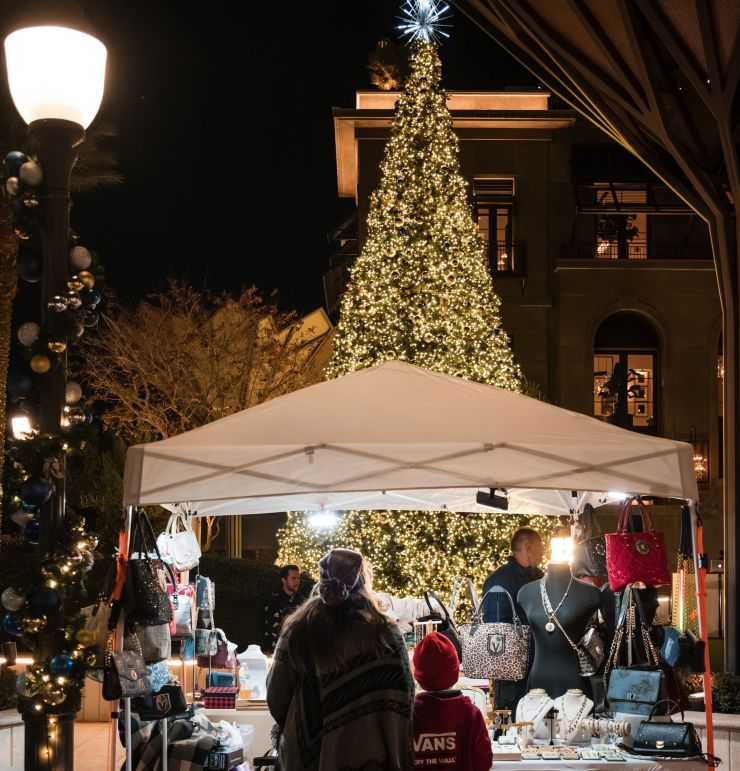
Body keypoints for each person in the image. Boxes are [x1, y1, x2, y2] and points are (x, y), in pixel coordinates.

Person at [266, 548, 415, 770]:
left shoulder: (298, 631)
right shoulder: (385, 635)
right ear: (363, 578)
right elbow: (405, 697)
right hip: (374, 756)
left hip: (308, 757)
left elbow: (276, 698)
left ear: (321, 578)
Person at [480, 527, 544, 715]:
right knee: (509, 726)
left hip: (538, 667)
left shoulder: (540, 577)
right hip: (511, 673)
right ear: (528, 547)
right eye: (540, 547)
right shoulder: (499, 581)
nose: (543, 552)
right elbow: (496, 632)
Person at [412, 631, 492, 771]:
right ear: (455, 672)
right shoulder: (470, 714)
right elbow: (483, 762)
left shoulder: (408, 715)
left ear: (419, 677)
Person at [261, 564, 303, 654]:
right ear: (284, 580)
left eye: (298, 578)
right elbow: (271, 627)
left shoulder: (300, 600)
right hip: (274, 651)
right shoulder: (274, 600)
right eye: (293, 578)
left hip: (297, 650)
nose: (297, 581)